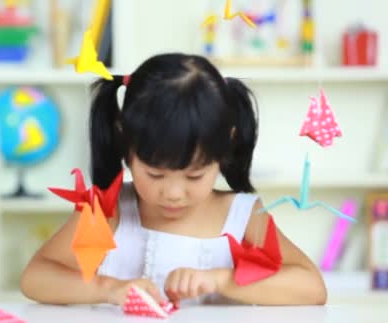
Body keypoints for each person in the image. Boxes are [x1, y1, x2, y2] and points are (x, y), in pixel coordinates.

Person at [20, 53, 327, 307]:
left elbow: (312, 288)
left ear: (225, 149)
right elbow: (35, 278)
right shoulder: (110, 211)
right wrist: (109, 288)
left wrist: (220, 280)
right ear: (125, 146)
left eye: (194, 175)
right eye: (155, 174)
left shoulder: (244, 216)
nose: (173, 193)